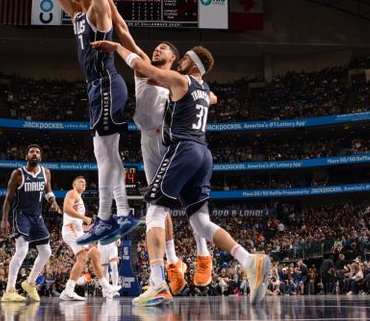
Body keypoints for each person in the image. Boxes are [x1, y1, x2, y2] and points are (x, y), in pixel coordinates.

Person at [91, 40, 271, 306]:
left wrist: (117, 47)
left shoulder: (181, 81)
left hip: (183, 149)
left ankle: (158, 284)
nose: (182, 60)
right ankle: (249, 260)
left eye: (185, 58)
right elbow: (212, 97)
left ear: (191, 63)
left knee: (154, 212)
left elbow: (141, 66)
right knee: (201, 223)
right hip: (203, 154)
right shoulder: (204, 89)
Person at [104, 0, 216, 294]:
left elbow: (210, 96)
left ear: (174, 59)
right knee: (159, 204)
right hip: (148, 140)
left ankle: (203, 254)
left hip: (174, 141)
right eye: (155, 47)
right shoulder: (146, 68)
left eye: (163, 48)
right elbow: (124, 30)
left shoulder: (183, 82)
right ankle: (173, 262)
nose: (157, 49)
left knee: (189, 201)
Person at [47, 0, 140, 246]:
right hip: (99, 87)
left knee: (103, 153)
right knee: (108, 154)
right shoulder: (76, 13)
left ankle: (103, 217)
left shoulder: (98, 12)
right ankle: (124, 212)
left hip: (105, 83)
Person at [0, 145, 62, 303]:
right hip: (21, 215)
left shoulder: (46, 172)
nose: (35, 154)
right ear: (26, 156)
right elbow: (8, 198)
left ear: (40, 157)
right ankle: (10, 290)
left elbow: (48, 191)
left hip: (37, 216)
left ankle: (30, 283)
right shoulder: (18, 174)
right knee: (22, 250)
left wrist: (53, 201)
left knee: (46, 251)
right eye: (32, 151)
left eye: (38, 152)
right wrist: (4, 219)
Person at [60, 176, 120, 300]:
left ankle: (106, 287)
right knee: (82, 257)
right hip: (71, 229)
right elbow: (66, 209)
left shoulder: (79, 199)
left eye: (85, 183)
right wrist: (85, 218)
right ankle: (68, 290)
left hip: (77, 230)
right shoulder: (72, 193)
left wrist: (92, 227)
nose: (84, 184)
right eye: (80, 181)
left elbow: (78, 221)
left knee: (95, 253)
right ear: (73, 183)